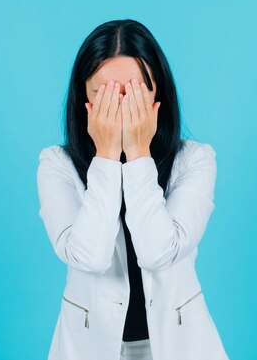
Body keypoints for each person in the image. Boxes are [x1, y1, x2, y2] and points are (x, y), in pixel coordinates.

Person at [36, 19, 229, 360]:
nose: (121, 105)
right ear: (85, 100)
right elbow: (89, 256)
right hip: (88, 348)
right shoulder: (56, 164)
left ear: (158, 95)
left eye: (135, 92)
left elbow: (159, 252)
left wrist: (138, 154)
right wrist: (108, 156)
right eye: (105, 94)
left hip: (180, 346)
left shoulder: (195, 160)